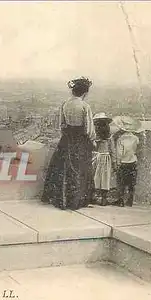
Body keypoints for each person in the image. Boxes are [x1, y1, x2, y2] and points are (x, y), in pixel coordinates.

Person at [41, 77, 96, 210]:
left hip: (66, 139)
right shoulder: (84, 106)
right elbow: (89, 129)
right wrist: (92, 141)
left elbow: (61, 124)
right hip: (80, 139)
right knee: (80, 169)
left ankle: (62, 199)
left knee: (62, 168)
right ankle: (76, 200)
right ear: (85, 92)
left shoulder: (65, 104)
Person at [112, 116, 141, 207]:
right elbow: (137, 150)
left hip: (123, 163)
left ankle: (120, 200)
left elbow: (119, 153)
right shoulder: (135, 138)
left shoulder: (121, 139)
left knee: (121, 183)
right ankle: (130, 199)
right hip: (132, 162)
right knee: (131, 183)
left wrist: (117, 163)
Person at [92, 113, 115, 206]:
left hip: (96, 157)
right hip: (106, 158)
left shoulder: (95, 136)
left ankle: (93, 197)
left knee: (95, 177)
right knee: (105, 178)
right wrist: (114, 162)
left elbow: (93, 148)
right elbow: (112, 150)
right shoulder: (109, 137)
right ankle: (104, 199)